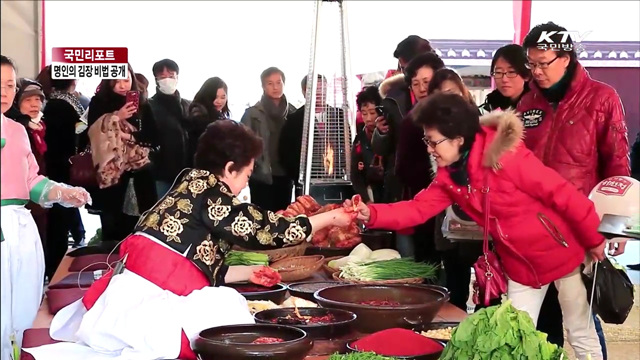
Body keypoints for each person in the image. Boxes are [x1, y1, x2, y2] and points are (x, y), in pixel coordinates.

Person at [25, 120, 353, 360]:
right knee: (228, 313)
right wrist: (330, 217)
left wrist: (247, 274)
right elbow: (266, 231)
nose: (244, 186)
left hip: (133, 292)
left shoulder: (190, 181)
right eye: (246, 176)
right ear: (229, 168)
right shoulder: (212, 192)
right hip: (148, 300)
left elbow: (195, 258)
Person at [348, 93, 606, 360]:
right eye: (427, 140)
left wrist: (595, 239)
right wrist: (371, 213)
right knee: (514, 335)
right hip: (519, 263)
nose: (429, 149)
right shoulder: (451, 176)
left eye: (433, 141)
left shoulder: (505, 157)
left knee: (580, 331)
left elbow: (563, 195)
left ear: (459, 139)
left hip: (563, 251)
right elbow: (417, 208)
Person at [518, 22, 630, 358]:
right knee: (526, 320)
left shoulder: (602, 98)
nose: (536, 72)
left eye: (543, 63)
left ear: (566, 58)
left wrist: (618, 228)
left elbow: (618, 167)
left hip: (579, 231)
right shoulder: (527, 104)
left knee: (580, 322)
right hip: (531, 230)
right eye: (531, 64)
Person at [1, 54, 91, 357]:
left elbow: (32, 181)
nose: (4, 91)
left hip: (20, 227)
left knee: (22, 309)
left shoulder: (16, 131)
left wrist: (64, 193)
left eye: (10, 84)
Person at [83, 63, 158, 243]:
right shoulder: (98, 103)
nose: (123, 85)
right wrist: (117, 116)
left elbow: (153, 137)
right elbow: (93, 134)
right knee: (112, 229)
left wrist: (127, 135)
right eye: (117, 81)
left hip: (140, 174)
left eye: (126, 79)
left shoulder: (143, 104)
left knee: (140, 228)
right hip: (112, 175)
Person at [393, 52, 445, 260]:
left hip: (457, 210)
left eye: (427, 81)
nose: (422, 88)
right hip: (426, 206)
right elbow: (402, 169)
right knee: (428, 263)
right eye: (416, 84)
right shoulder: (411, 121)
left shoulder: (457, 114)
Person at [241, 67, 296, 212]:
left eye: (279, 82)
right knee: (261, 218)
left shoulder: (292, 112)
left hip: (285, 175)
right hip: (261, 175)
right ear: (263, 86)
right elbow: (243, 145)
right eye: (270, 83)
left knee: (283, 216)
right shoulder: (252, 114)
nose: (275, 87)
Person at [148, 59, 191, 197]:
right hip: (162, 174)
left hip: (187, 172)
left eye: (171, 75)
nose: (167, 79)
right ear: (156, 80)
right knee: (164, 214)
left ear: (177, 77)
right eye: (162, 76)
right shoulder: (149, 106)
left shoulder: (187, 105)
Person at [185, 76, 230, 169]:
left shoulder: (220, 117)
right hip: (202, 169)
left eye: (223, 97)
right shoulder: (199, 117)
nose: (219, 101)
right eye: (215, 97)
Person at [350, 86, 385, 203]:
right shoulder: (360, 139)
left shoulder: (390, 135)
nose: (368, 119)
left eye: (372, 113)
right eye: (364, 113)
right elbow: (355, 175)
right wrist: (366, 200)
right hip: (371, 195)